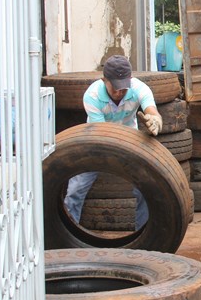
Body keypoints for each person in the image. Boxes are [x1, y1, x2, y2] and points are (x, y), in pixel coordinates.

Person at [63, 55, 163, 230]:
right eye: (115, 88)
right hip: (97, 141)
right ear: (104, 80)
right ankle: (69, 234)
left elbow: (151, 109)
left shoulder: (140, 88)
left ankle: (145, 233)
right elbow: (104, 136)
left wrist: (154, 120)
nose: (119, 92)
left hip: (130, 142)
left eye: (123, 88)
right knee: (75, 189)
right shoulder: (92, 96)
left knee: (146, 185)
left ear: (130, 80)